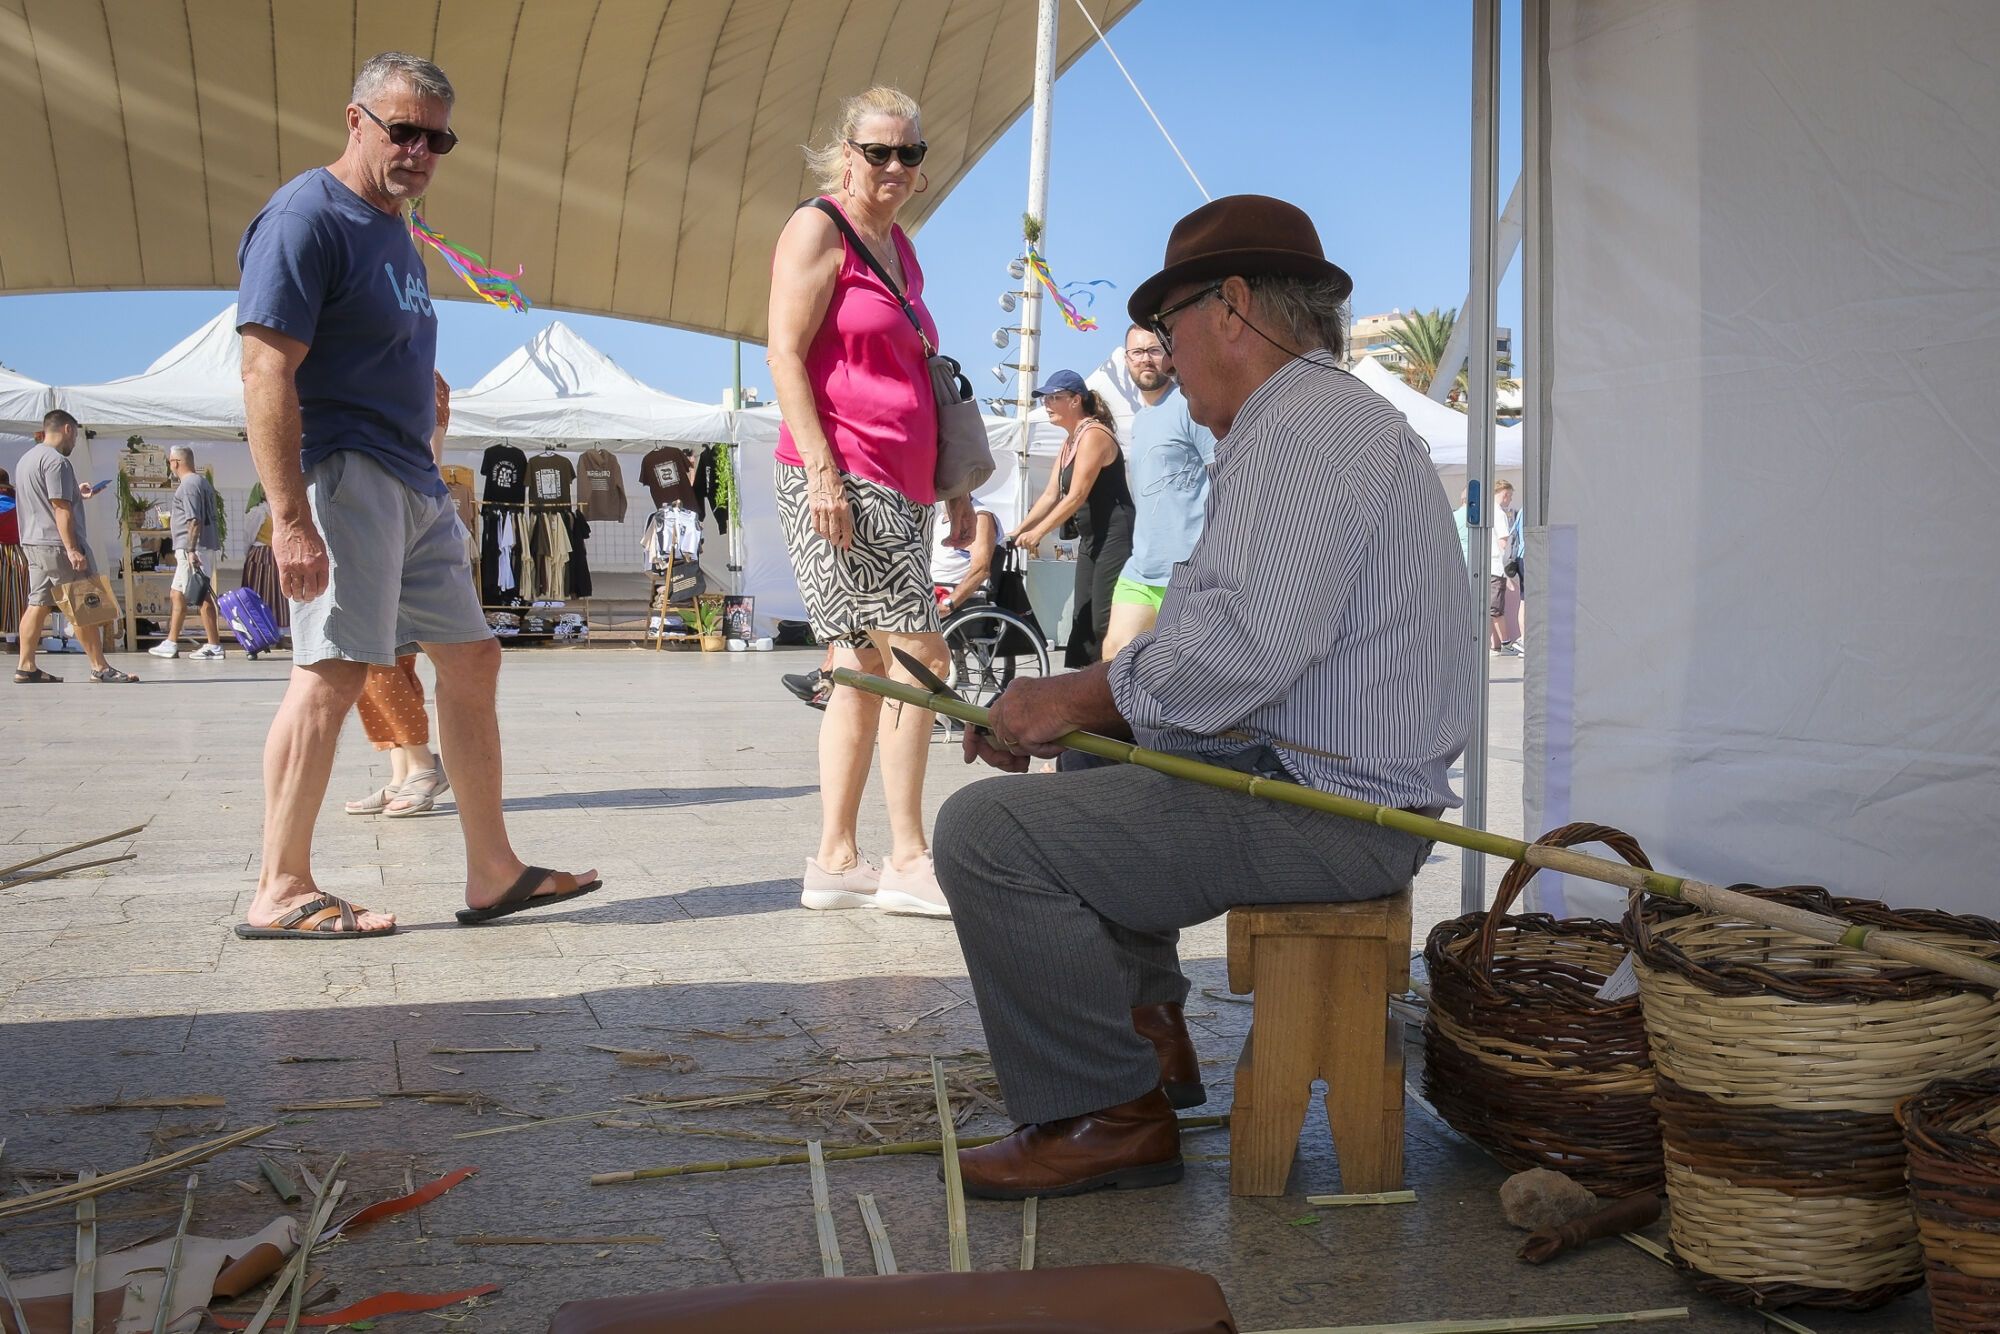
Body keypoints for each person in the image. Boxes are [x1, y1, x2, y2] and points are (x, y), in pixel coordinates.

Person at [930, 195, 1476, 1199]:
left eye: (1168, 324)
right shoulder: (1300, 420)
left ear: (1232, 306)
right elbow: (1226, 639)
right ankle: (1148, 1038)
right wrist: (1083, 711)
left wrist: (1075, 692)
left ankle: (1106, 1114)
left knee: (985, 835)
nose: (1164, 353)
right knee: (1092, 751)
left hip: (1335, 809)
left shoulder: (1306, 429)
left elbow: (1244, 650)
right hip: (1319, 777)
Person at [233, 51, 594, 938]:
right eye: (404, 132)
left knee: (472, 659)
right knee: (331, 672)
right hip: (347, 471)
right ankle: (280, 887)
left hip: (413, 477)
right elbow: (264, 370)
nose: (421, 152)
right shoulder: (307, 217)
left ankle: (492, 872)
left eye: (438, 139)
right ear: (355, 121)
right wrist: (290, 520)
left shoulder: (395, 227)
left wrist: (419, 401)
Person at [767, 85, 973, 920]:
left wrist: (954, 488)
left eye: (908, 153)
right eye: (878, 151)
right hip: (845, 478)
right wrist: (822, 472)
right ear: (846, 154)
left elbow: (915, 370)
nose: (894, 166)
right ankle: (908, 858)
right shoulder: (819, 227)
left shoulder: (901, 249)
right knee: (922, 657)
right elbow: (783, 352)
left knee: (860, 666)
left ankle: (836, 860)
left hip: (900, 483)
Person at [344, 372, 455, 819]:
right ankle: (402, 772)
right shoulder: (371, 366)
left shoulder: (419, 376)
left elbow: (429, 454)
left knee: (376, 655)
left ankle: (422, 764)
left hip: (393, 521)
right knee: (380, 657)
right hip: (371, 519)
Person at [1101, 327, 1216, 660]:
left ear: (1169, 354)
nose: (1145, 359)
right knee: (1114, 656)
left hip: (1188, 571)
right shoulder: (1141, 420)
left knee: (1183, 673)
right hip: (1141, 567)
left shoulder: (1190, 406)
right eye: (1137, 352)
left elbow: (1225, 476)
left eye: (1154, 350)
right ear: (1126, 360)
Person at [1011, 370, 1133, 666]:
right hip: (1094, 538)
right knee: (1083, 615)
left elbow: (1076, 495)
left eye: (1054, 397)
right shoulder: (1071, 441)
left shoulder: (1094, 434)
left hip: (1115, 535)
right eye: (1045, 399)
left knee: (1101, 617)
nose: (1047, 404)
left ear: (1076, 400)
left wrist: (1039, 533)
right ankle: (1086, 679)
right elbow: (1050, 495)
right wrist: (1017, 531)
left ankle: (1112, 681)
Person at [14, 410, 138, 685]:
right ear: (67, 429)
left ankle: (26, 666)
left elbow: (47, 498)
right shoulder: (57, 461)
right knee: (83, 604)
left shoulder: (27, 459)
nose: (75, 442)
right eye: (76, 436)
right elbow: (60, 508)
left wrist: (77, 493)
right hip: (57, 545)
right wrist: (72, 549)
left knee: (38, 604)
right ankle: (100, 667)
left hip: (34, 542)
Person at [149, 445, 227, 660]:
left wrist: (191, 550)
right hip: (193, 547)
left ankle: (214, 645)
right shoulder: (201, 482)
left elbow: (194, 520)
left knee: (200, 595)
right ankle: (171, 641)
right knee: (177, 593)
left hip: (192, 548)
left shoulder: (189, 485)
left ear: (175, 462)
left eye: (170, 462)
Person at [933, 499, 1003, 615]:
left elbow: (980, 570)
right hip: (932, 593)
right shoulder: (941, 517)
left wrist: (948, 604)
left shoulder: (979, 515)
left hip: (955, 601)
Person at [1488, 478, 1520, 656]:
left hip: (1488, 565)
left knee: (1490, 608)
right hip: (1497, 567)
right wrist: (1511, 567)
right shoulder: (1499, 513)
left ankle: (1495, 644)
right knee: (1496, 608)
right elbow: (1503, 542)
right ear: (1505, 494)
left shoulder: (1488, 510)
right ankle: (1506, 643)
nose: (1510, 499)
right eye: (1510, 496)